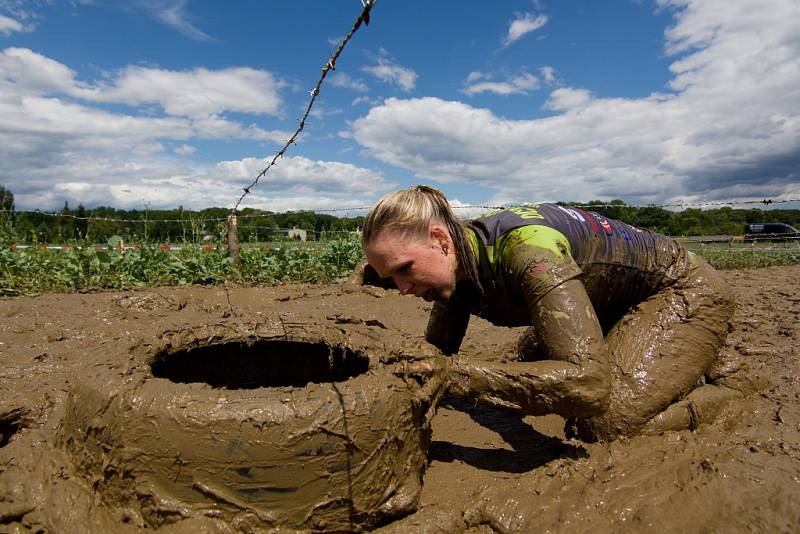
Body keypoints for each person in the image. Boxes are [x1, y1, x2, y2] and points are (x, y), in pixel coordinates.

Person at [359, 185, 747, 442]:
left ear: (441, 240)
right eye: (391, 278)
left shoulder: (528, 253)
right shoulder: (451, 270)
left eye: (405, 269)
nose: (404, 289)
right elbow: (437, 354)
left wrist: (454, 376)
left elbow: (589, 383)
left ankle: (728, 388)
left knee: (600, 423)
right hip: (608, 301)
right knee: (525, 360)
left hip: (684, 288)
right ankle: (676, 359)